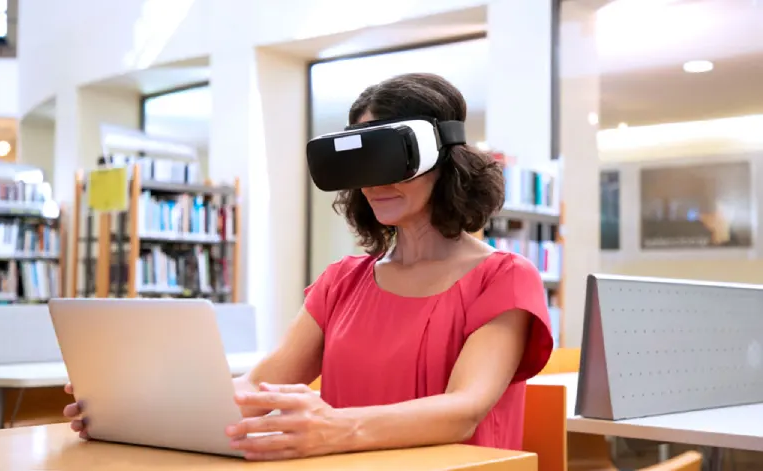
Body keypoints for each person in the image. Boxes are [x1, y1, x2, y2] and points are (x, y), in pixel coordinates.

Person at [63, 72, 553, 461]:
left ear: (445, 162)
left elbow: (463, 411)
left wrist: (336, 428)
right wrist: (138, 407)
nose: (374, 182)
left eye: (389, 159)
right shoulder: (344, 281)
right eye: (361, 163)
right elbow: (260, 385)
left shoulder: (504, 278)